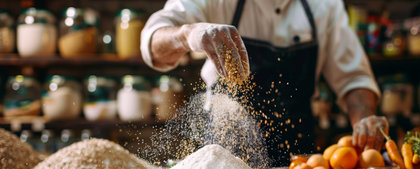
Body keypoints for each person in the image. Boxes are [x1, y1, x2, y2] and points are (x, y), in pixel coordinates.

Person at [141, 0, 389, 166]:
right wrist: (188, 34)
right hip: (226, 150)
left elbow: (354, 78)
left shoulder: (324, 5)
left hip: (298, 154)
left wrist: (365, 118)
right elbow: (152, 42)